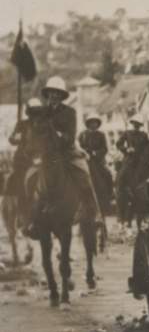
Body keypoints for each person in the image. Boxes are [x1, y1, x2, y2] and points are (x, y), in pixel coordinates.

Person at [26, 76, 100, 236]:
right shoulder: (41, 112)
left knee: (85, 173)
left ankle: (93, 213)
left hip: (66, 151)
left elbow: (70, 136)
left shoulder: (69, 112)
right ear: (48, 94)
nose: (54, 96)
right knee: (29, 177)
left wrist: (59, 135)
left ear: (61, 95)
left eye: (57, 93)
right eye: (51, 93)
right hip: (45, 153)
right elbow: (35, 131)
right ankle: (30, 218)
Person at [79, 113, 114, 216]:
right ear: (88, 124)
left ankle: (109, 196)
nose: (93, 124)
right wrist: (84, 153)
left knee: (108, 174)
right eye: (91, 122)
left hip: (97, 161)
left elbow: (105, 148)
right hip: (85, 160)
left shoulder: (101, 135)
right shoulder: (82, 134)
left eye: (95, 122)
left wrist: (96, 153)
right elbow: (79, 146)